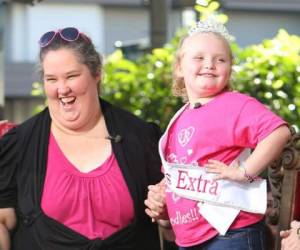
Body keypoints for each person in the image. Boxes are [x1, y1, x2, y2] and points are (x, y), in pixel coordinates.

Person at [0, 27, 163, 250]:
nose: (62, 89)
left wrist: (167, 217)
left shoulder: (141, 137)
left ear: (97, 74)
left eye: (72, 76)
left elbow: (169, 227)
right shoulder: (18, 145)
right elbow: (3, 222)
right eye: (51, 79)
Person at [144, 18, 291, 250]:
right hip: (189, 239)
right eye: (199, 58)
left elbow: (279, 132)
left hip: (233, 234)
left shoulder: (236, 104)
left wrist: (244, 171)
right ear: (179, 67)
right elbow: (179, 171)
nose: (210, 64)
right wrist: (161, 197)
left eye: (220, 59)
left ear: (229, 69)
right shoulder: (179, 118)